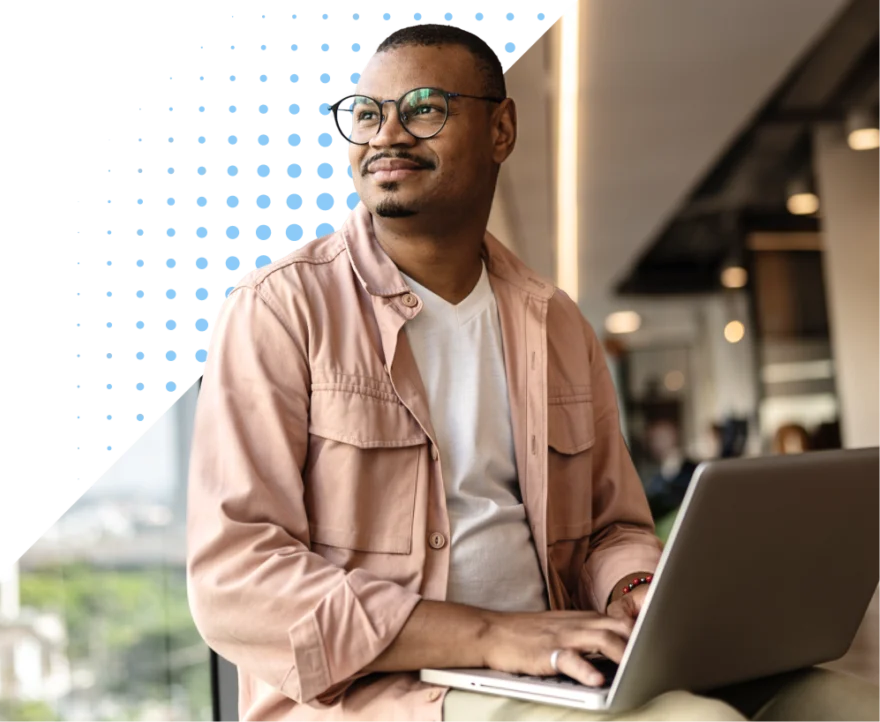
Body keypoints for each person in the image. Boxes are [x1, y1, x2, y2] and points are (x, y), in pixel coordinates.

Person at [186, 22, 879, 722]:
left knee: (840, 703)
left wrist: (633, 586)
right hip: (387, 691)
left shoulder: (556, 321)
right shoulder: (279, 309)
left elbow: (613, 527)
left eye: (423, 107)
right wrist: (491, 636)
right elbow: (234, 578)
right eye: (365, 115)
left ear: (501, 129)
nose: (386, 135)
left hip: (561, 656)